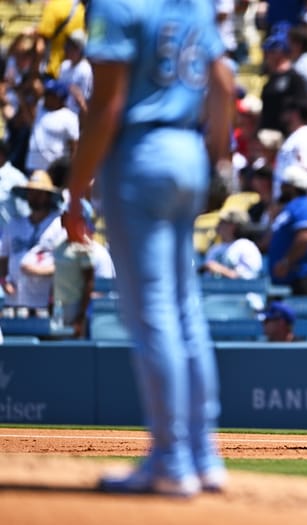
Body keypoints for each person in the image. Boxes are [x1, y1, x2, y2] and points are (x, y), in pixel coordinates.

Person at [63, 0, 235, 496]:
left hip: (140, 153)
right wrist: (215, 159)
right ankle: (204, 457)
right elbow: (224, 86)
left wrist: (75, 191)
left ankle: (171, 460)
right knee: (186, 309)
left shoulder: (117, 4)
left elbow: (108, 105)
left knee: (154, 312)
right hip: (188, 150)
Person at [1, 171, 65, 314]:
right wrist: (3, 281)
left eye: (39, 193)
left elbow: (67, 264)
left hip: (45, 304)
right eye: (31, 192)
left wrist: (39, 271)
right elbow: (3, 258)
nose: (34, 197)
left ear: (48, 196)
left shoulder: (59, 225)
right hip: (15, 302)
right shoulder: (14, 225)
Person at [263, 165, 307, 296]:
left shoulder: (304, 205)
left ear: (291, 187)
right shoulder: (290, 207)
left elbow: (305, 237)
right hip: (289, 279)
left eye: (284, 184)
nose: (281, 188)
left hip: (304, 279)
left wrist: (286, 262)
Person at [199, 208, 263, 280]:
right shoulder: (215, 248)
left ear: (232, 226)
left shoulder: (246, 246)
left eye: (222, 222)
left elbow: (250, 276)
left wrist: (221, 270)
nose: (218, 225)